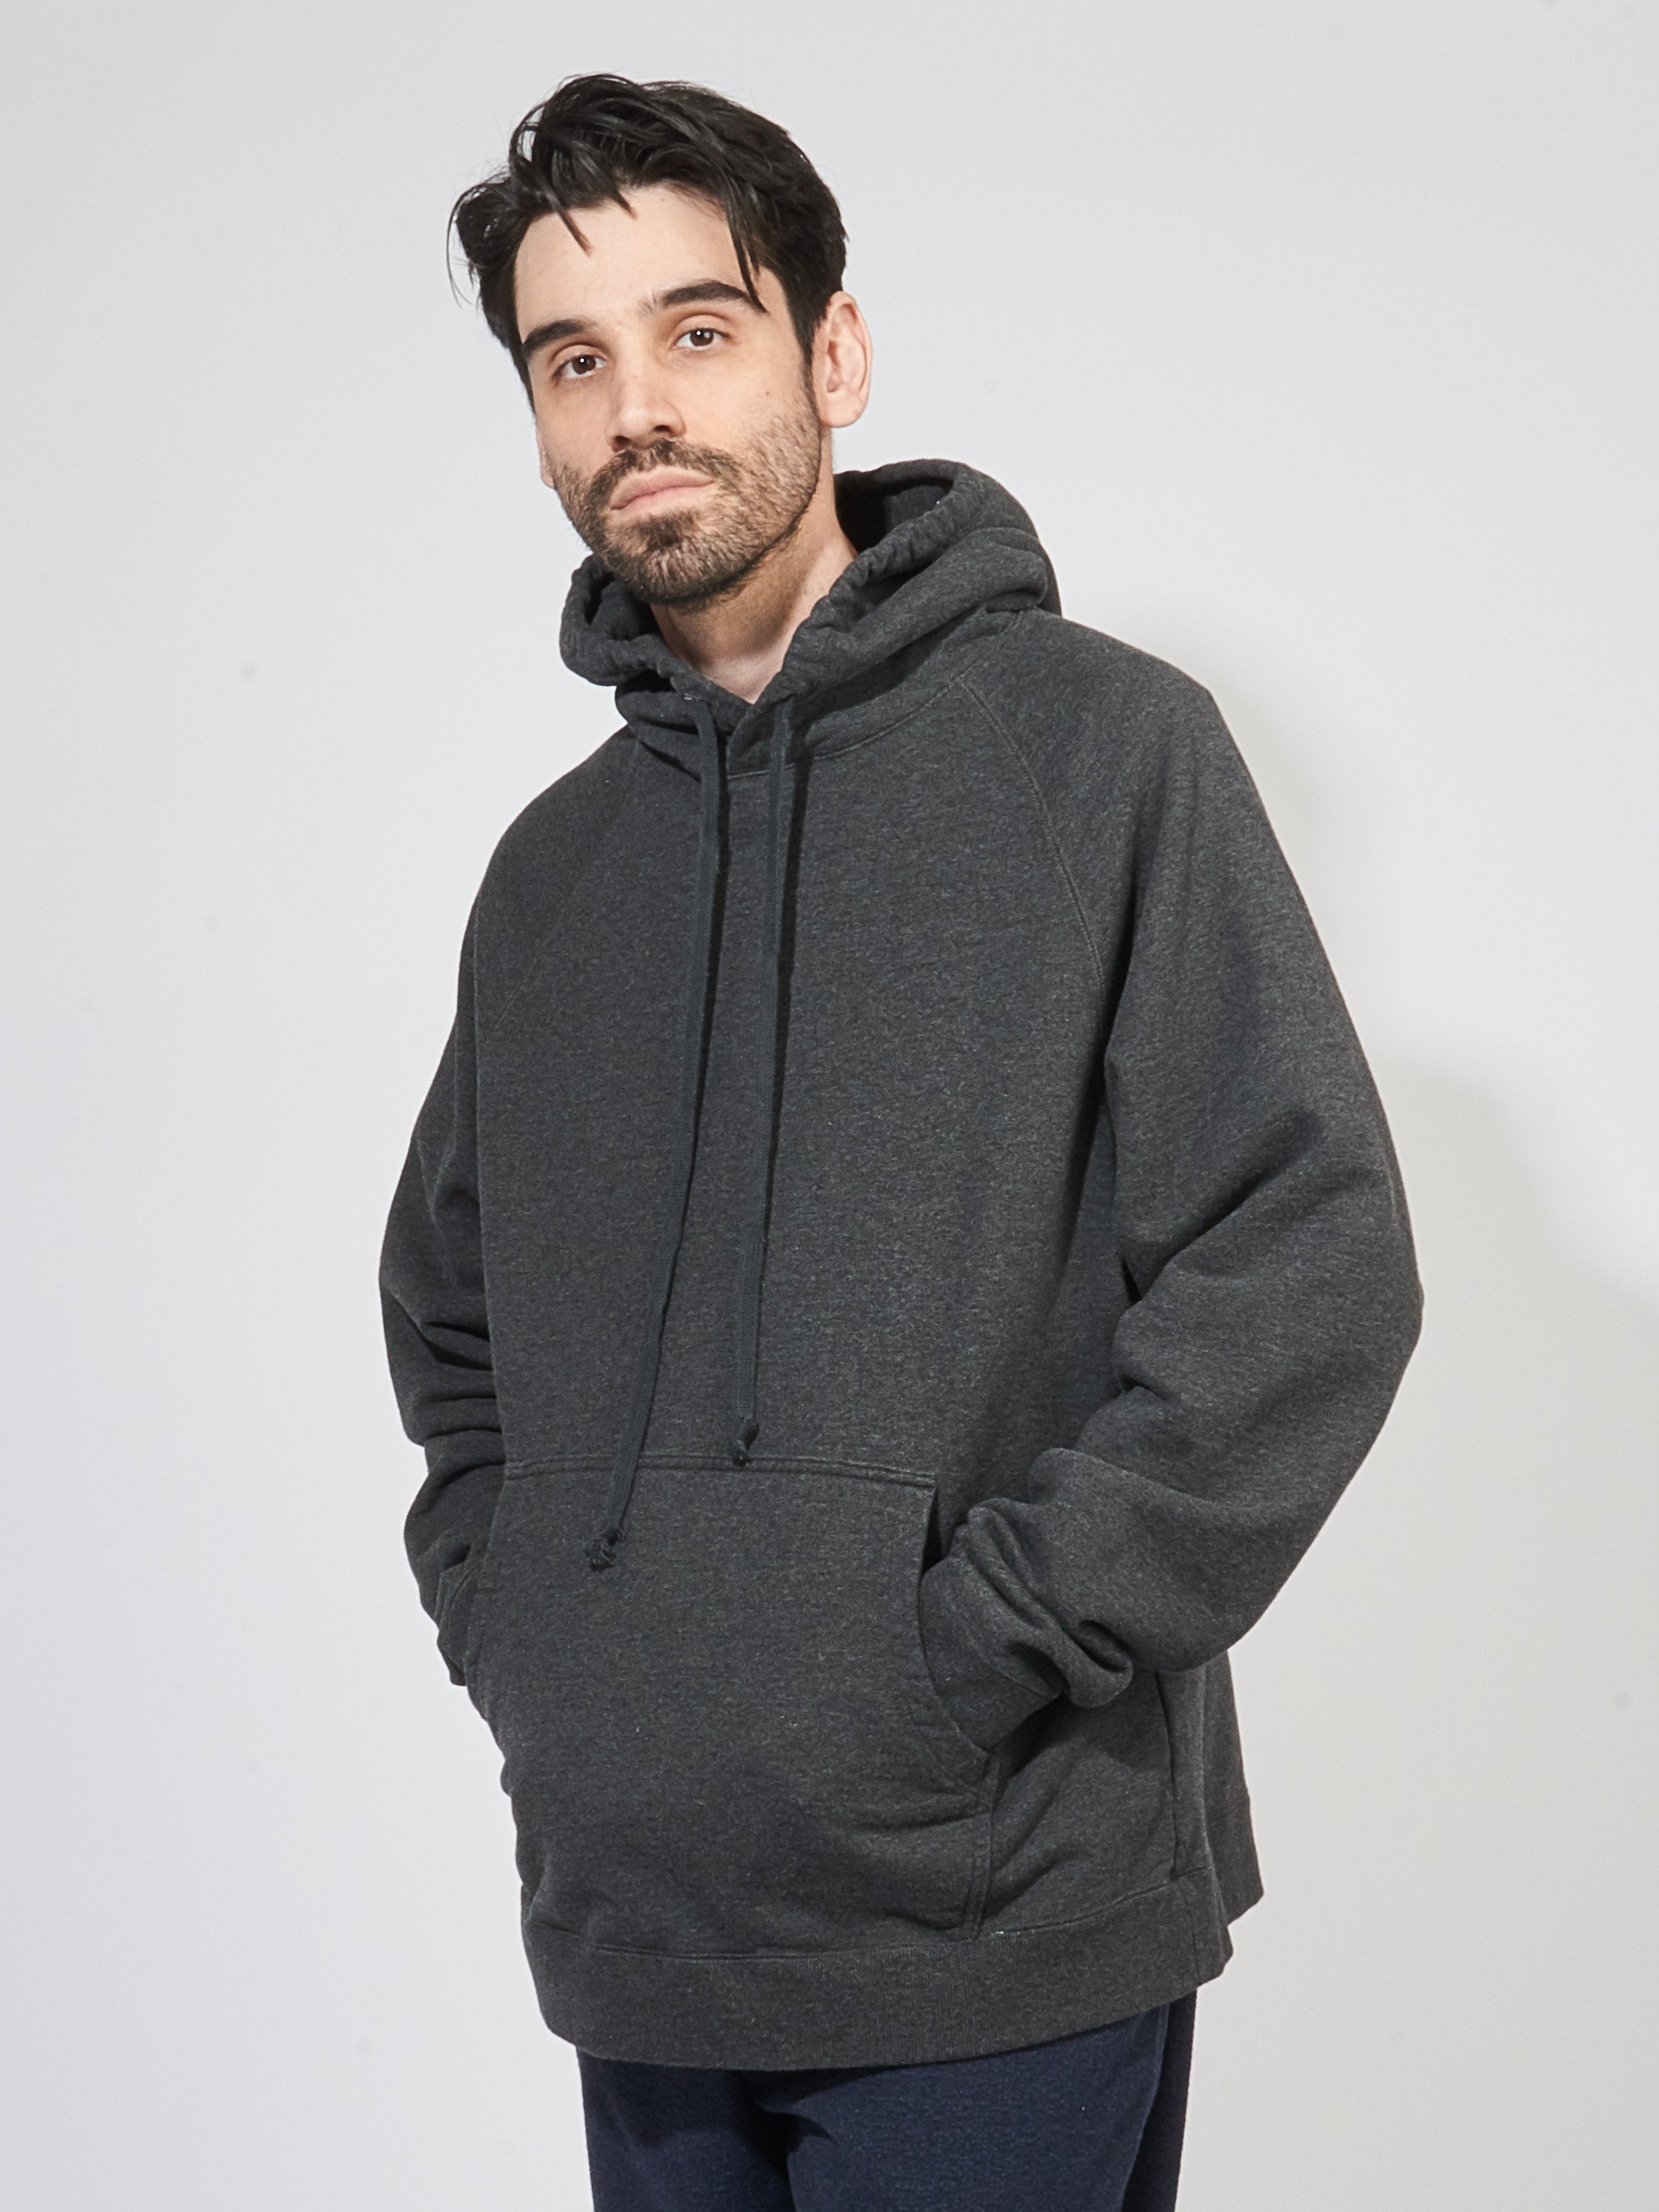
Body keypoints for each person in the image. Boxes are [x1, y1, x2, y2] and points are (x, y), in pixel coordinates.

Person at [379, 72, 1422, 2212]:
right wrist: (542, 1650)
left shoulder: (1103, 755)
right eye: (571, 362)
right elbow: (451, 1325)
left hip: (1001, 1916)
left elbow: (1309, 1258)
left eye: (698, 329)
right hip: (639, 1926)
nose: (636, 409)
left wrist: (968, 1658)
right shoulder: (552, 876)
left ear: (830, 352)